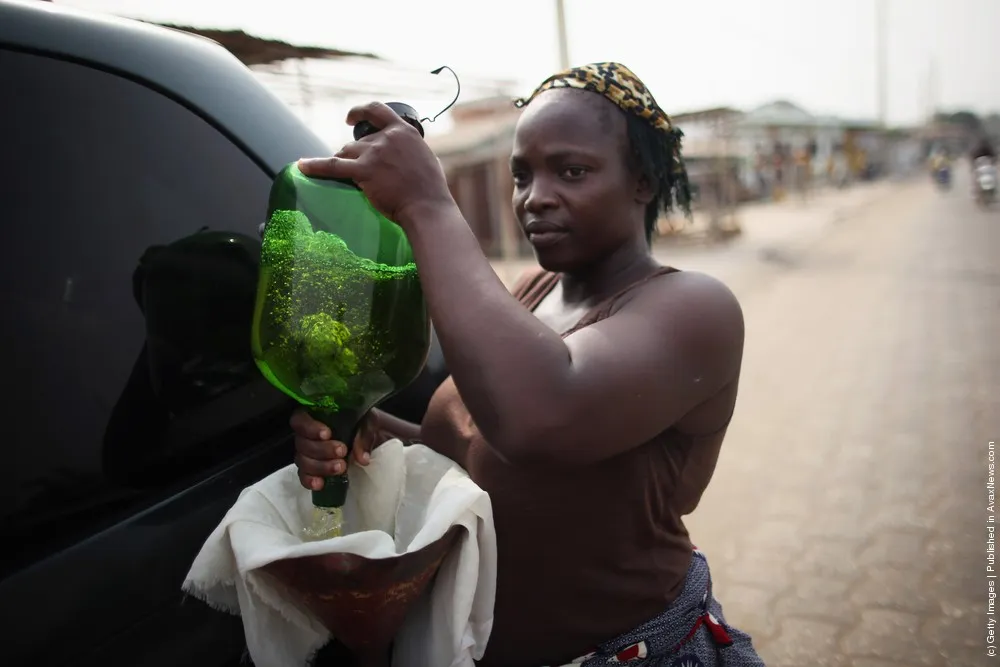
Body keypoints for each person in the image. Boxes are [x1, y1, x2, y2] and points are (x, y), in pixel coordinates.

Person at [291, 62, 763, 667]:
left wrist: (429, 206)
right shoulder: (534, 291)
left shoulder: (696, 309)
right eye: (522, 175)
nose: (535, 198)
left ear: (642, 180)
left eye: (572, 171)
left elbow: (539, 419)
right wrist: (373, 437)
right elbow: (479, 451)